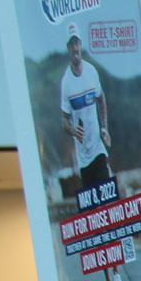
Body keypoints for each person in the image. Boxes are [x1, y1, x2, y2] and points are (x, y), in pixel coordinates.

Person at [58, 24, 112, 200]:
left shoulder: (91, 71)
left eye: (77, 43)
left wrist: (104, 128)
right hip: (83, 159)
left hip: (98, 149)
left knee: (108, 202)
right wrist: (73, 130)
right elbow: (64, 120)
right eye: (71, 45)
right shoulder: (66, 83)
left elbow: (101, 97)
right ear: (68, 48)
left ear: (80, 44)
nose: (75, 48)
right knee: (93, 210)